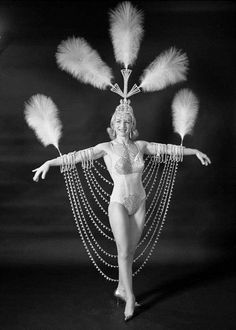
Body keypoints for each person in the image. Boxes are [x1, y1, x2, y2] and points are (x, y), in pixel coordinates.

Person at [32, 100, 211, 321]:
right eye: (118, 121)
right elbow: (76, 156)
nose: (122, 125)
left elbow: (168, 149)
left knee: (130, 252)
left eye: (126, 121)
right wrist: (49, 163)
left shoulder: (142, 145)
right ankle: (130, 298)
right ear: (113, 125)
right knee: (124, 253)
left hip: (140, 203)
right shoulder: (105, 148)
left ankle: (120, 288)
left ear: (132, 124)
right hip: (118, 203)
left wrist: (195, 151)